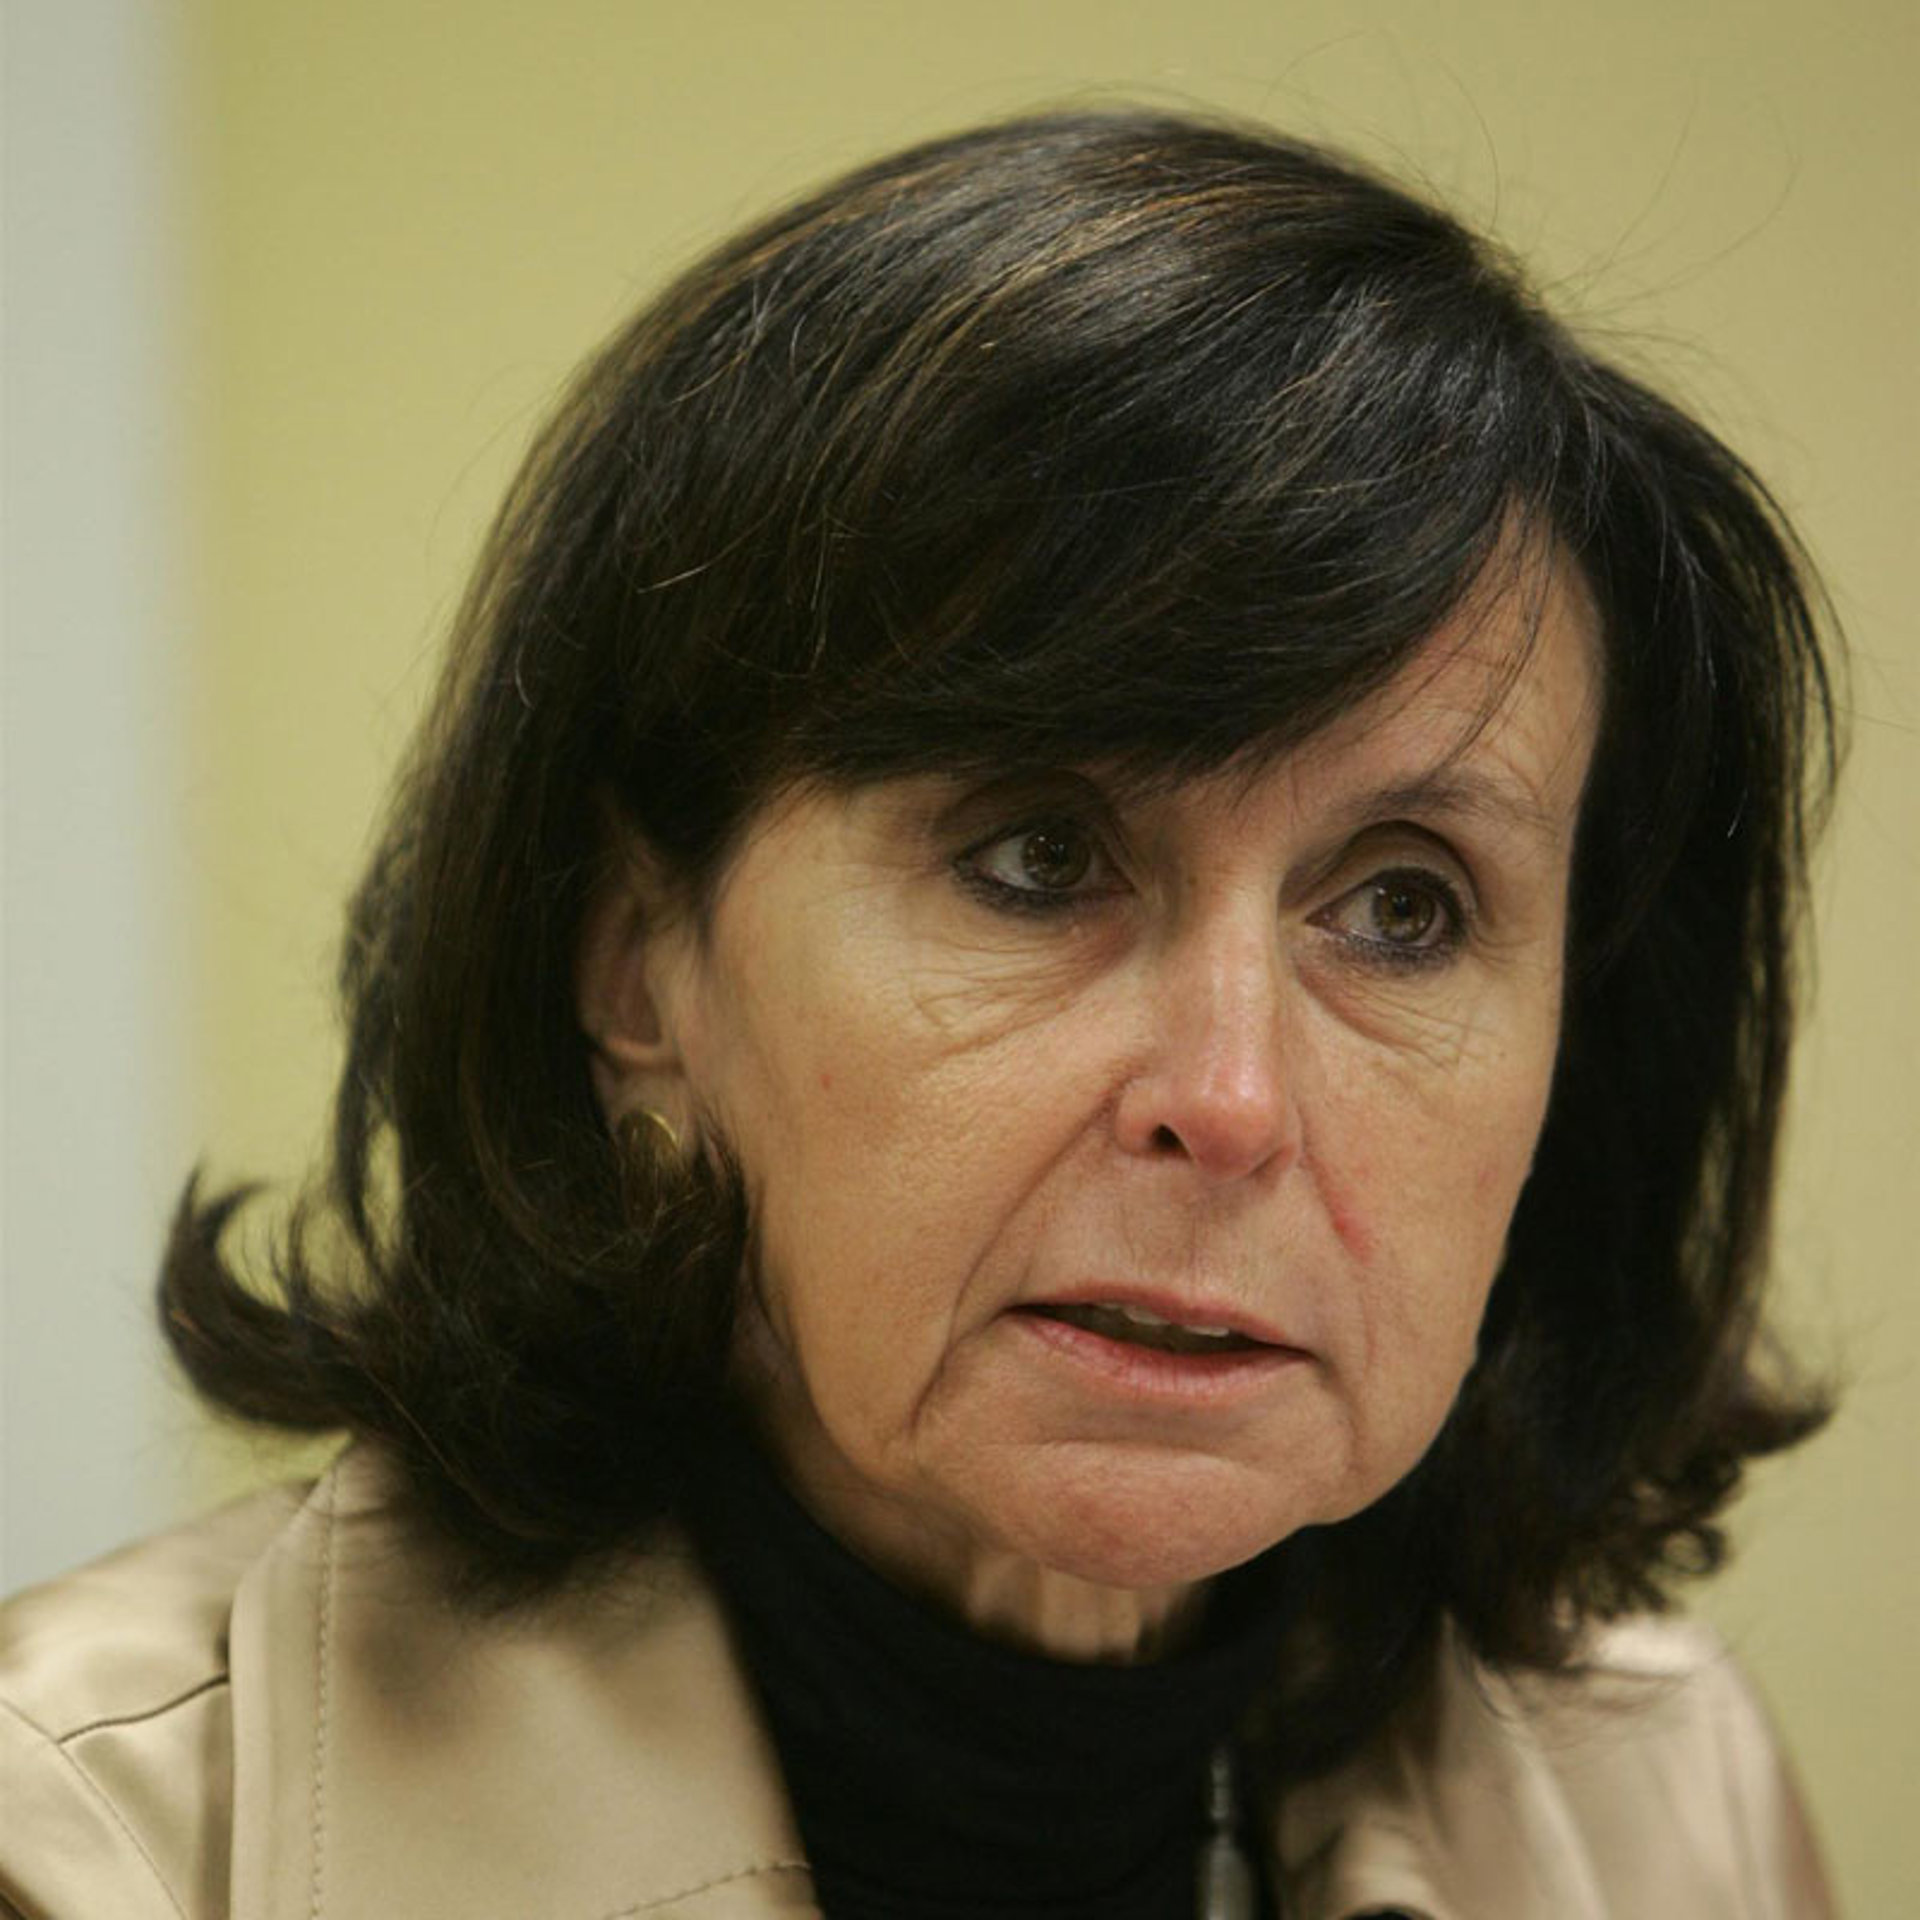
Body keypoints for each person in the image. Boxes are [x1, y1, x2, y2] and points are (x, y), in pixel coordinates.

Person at [0, 108, 1838, 1919]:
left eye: (1403, 907)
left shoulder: (1669, 1813)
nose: (1231, 1098)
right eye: (1040, 857)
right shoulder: (89, 1848)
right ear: (636, 961)